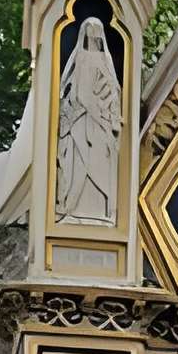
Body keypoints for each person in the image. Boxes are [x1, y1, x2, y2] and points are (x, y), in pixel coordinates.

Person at [56, 15, 123, 225]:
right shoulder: (80, 59)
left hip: (99, 125)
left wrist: (109, 113)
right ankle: (73, 208)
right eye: (89, 30)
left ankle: (101, 211)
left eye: (97, 30)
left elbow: (114, 92)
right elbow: (71, 93)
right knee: (78, 165)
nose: (93, 35)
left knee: (101, 162)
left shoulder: (105, 60)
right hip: (80, 122)